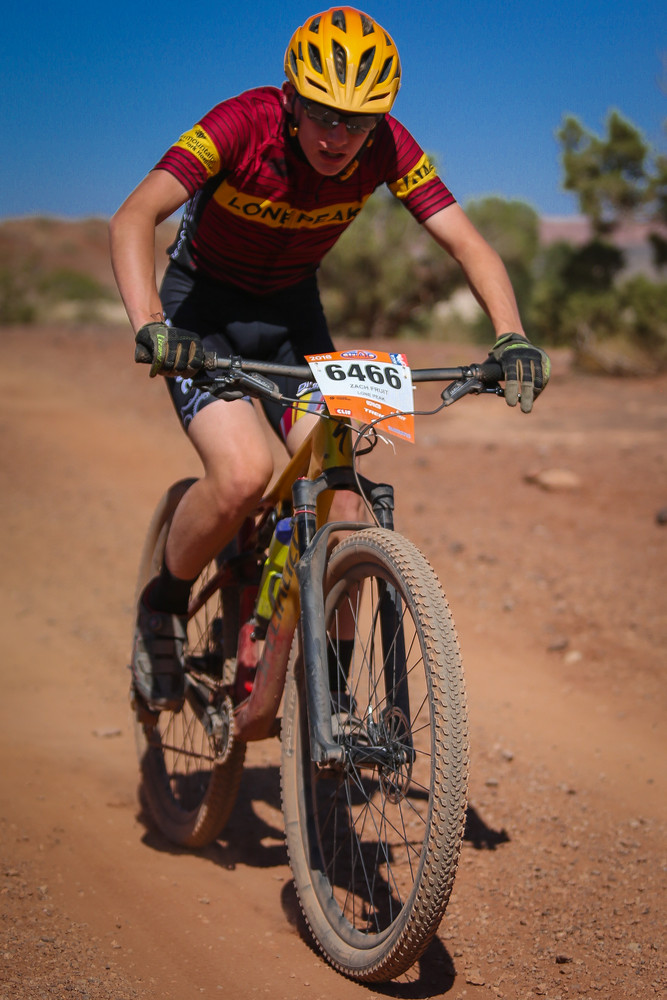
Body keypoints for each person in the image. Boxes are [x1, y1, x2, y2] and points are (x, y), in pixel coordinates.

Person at [109, 6, 550, 712]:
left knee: (345, 502)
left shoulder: (388, 147)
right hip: (202, 316)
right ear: (291, 97)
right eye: (321, 114)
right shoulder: (241, 123)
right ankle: (161, 606)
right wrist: (152, 326)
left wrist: (511, 335)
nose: (337, 136)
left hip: (292, 319)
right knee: (242, 475)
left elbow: (468, 243)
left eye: (359, 121)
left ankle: (333, 707)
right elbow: (134, 215)